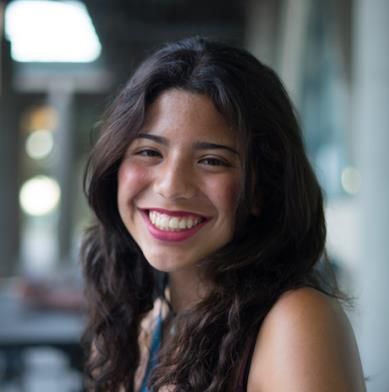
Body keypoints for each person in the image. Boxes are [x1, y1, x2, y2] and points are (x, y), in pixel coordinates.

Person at [81, 36, 365, 391]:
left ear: (262, 189)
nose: (171, 186)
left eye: (212, 160)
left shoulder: (296, 322)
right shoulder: (146, 325)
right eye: (150, 152)